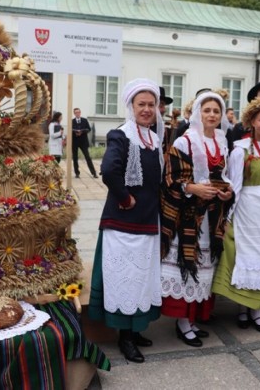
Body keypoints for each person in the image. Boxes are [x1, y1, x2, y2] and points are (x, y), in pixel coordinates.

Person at [88, 78, 164, 363]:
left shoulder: (154, 137)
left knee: (142, 278)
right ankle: (125, 337)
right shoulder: (121, 134)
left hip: (148, 220)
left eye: (151, 104)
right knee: (126, 279)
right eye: (141, 104)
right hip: (123, 221)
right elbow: (108, 170)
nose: (146, 109)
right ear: (131, 106)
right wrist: (125, 197)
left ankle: (135, 329)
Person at [160, 91, 234, 347]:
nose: (212, 115)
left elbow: (224, 175)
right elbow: (170, 177)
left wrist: (226, 192)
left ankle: (192, 320)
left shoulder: (222, 141)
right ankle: (182, 322)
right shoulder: (185, 141)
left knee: (203, 267)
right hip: (188, 215)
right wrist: (193, 188)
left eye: (216, 111)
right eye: (207, 110)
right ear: (197, 113)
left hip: (211, 216)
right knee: (187, 262)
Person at [212, 97, 260, 333]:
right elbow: (234, 185)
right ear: (252, 121)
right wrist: (228, 216)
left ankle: (257, 311)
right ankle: (243, 309)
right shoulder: (240, 150)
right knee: (246, 256)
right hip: (248, 209)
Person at [72, 107, 98, 178]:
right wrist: (75, 132)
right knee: (75, 158)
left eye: (78, 112)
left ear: (80, 113)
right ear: (74, 113)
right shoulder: (72, 121)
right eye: (76, 112)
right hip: (75, 141)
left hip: (83, 141)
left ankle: (94, 172)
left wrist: (82, 131)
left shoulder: (84, 120)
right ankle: (77, 173)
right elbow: (70, 130)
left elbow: (88, 129)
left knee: (87, 157)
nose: (77, 114)